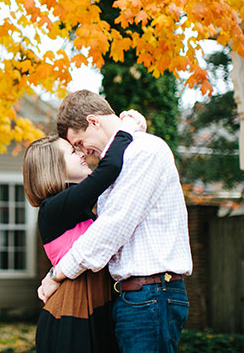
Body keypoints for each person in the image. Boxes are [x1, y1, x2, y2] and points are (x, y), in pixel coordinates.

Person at [38, 90, 193, 353]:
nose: (83, 152)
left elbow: (112, 228)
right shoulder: (123, 157)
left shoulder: (143, 151)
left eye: (79, 141)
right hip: (138, 296)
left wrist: (57, 273)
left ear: (94, 121)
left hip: (151, 295)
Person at [23, 111, 145, 353]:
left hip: (93, 307)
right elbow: (109, 169)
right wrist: (126, 127)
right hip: (72, 314)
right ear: (53, 165)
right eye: (72, 151)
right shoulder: (54, 208)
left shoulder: (74, 208)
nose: (82, 154)